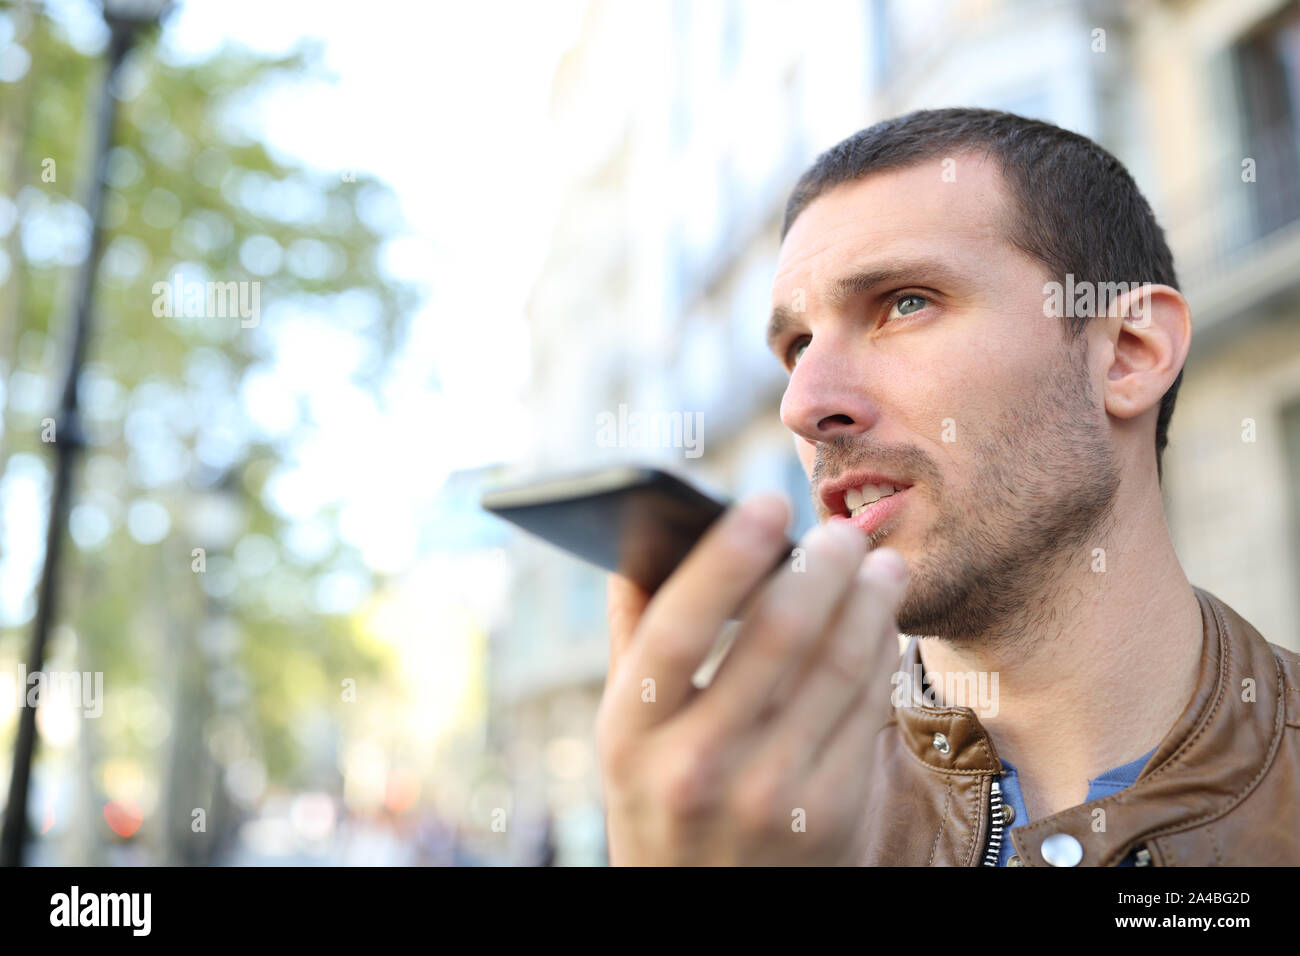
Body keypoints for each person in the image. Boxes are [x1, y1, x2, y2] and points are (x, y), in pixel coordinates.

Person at [597, 108, 1300, 866]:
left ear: (1128, 354)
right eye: (797, 346)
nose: (801, 405)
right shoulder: (747, 823)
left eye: (905, 303)